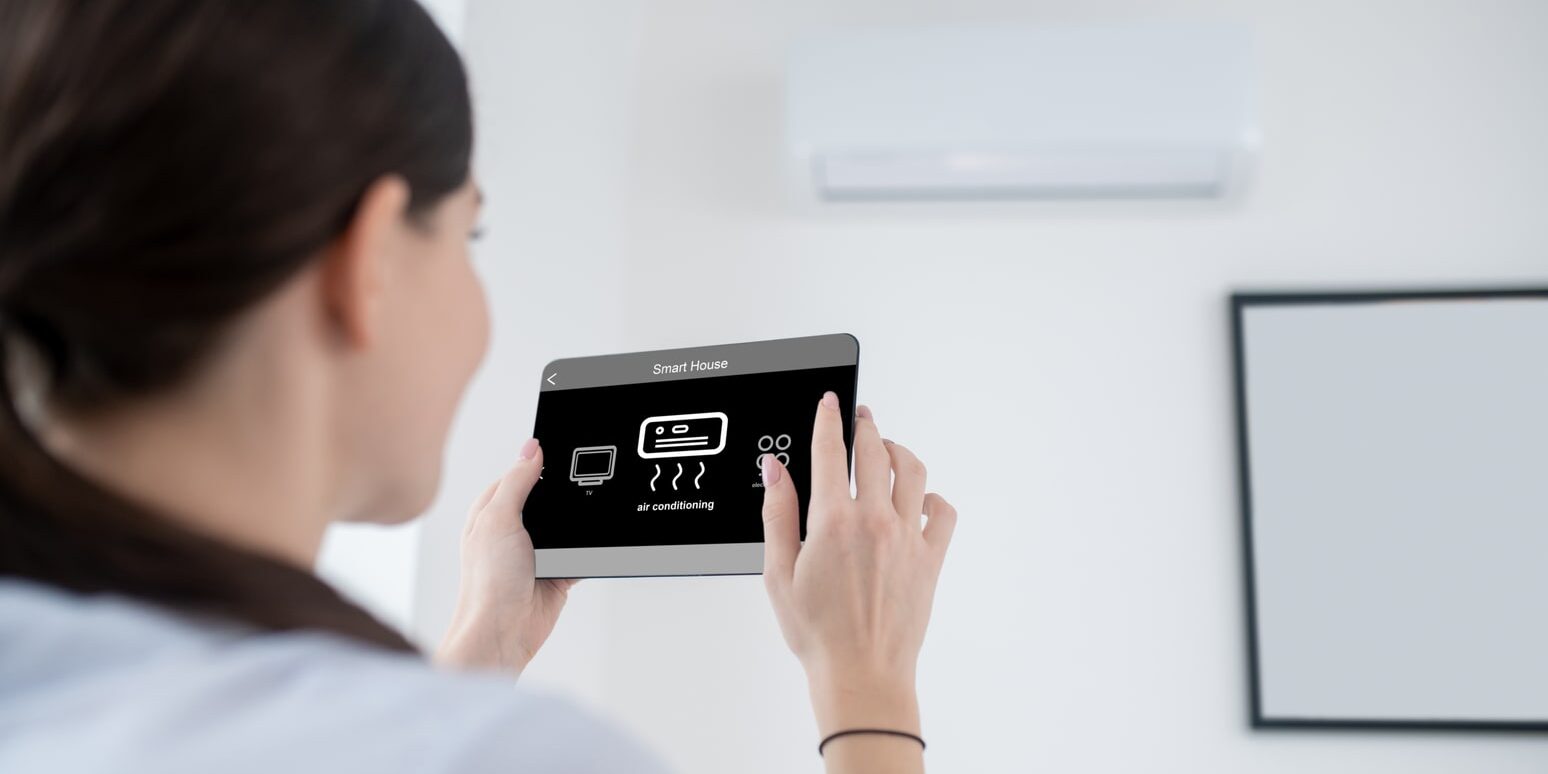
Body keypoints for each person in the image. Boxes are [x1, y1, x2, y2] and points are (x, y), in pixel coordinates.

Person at [0, 1, 958, 772]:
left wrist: (481, 650)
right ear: (369, 260)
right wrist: (867, 688)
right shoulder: (527, 756)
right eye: (471, 236)